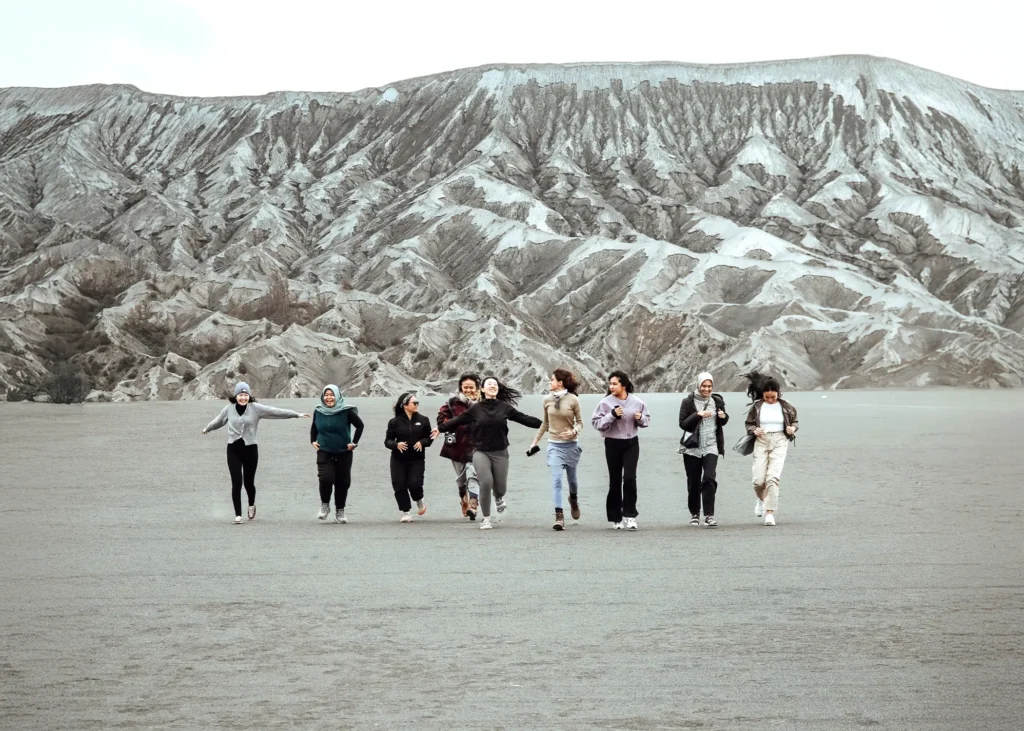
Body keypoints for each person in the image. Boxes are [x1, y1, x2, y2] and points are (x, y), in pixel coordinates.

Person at [434, 377, 542, 530]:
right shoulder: (476, 409)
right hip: (480, 451)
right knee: (485, 482)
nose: (492, 385)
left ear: (497, 389)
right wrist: (440, 428)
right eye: (489, 384)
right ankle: (486, 518)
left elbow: (524, 418)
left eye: (495, 384)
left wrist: (545, 424)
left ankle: (498, 497)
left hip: (500, 452)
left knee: (501, 488)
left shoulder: (505, 408)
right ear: (483, 389)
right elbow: (457, 420)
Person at [201, 382, 309, 524]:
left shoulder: (256, 408)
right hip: (233, 449)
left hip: (250, 450)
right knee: (236, 482)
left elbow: (275, 411)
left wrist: (296, 414)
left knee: (249, 483)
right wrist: (208, 428)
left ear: (249, 396)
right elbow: (219, 421)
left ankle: (251, 504)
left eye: (246, 395)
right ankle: (238, 515)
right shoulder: (229, 409)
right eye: (240, 395)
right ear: (236, 396)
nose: (243, 398)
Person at [591, 370, 651, 531]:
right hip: (612, 444)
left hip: (631, 443)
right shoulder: (605, 403)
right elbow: (596, 423)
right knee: (615, 480)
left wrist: (640, 418)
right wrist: (611, 415)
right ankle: (616, 517)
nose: (611, 387)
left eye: (614, 384)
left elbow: (646, 420)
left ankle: (630, 515)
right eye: (610, 384)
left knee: (630, 478)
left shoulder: (637, 401)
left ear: (623, 385)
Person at [529, 369, 584, 530]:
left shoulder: (573, 400)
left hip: (571, 445)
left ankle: (573, 500)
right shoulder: (546, 400)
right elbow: (545, 423)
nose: (549, 382)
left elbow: (580, 422)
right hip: (554, 445)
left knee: (572, 481)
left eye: (552, 380)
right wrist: (535, 442)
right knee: (557, 481)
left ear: (560, 383)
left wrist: (573, 431)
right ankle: (559, 516)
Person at [743, 371, 799, 526]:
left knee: (772, 478)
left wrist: (792, 429)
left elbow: (795, 421)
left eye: (773, 397)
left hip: (780, 441)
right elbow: (749, 424)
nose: (769, 400)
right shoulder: (757, 406)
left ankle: (769, 513)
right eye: (766, 397)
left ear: (778, 393)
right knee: (758, 481)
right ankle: (761, 499)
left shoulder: (786, 405)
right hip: (761, 441)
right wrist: (754, 430)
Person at [678, 371, 729, 528]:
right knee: (693, 482)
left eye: (709, 386)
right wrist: (697, 414)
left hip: (711, 446)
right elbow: (683, 424)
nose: (706, 389)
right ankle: (695, 514)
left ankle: (709, 515)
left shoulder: (717, 401)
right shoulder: (688, 401)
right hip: (692, 448)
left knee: (709, 478)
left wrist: (724, 417)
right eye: (704, 386)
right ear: (698, 385)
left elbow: (723, 421)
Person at [311, 385, 364, 524]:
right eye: (326, 395)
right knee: (325, 478)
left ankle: (340, 511)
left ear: (337, 396)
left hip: (343, 452)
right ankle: (325, 505)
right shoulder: (319, 410)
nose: (329, 397)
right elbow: (314, 427)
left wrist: (354, 443)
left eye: (332, 394)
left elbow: (360, 426)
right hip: (324, 451)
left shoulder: (346, 411)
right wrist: (312, 440)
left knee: (343, 482)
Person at [384, 393, 434, 523]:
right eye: (414, 403)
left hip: (417, 459)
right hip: (398, 459)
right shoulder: (394, 422)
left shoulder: (424, 420)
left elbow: (429, 438)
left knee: (415, 484)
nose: (417, 405)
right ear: (405, 405)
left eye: (417, 403)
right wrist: (396, 445)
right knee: (399, 484)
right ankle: (406, 512)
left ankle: (419, 499)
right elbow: (387, 441)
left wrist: (422, 442)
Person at [437, 374, 481, 520]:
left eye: (471, 387)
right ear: (461, 388)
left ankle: (473, 504)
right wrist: (449, 422)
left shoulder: (483, 403)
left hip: (476, 445)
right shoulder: (452, 402)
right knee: (461, 478)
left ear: (477, 388)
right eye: (465, 387)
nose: (468, 390)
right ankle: (463, 498)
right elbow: (441, 418)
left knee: (473, 474)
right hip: (457, 445)